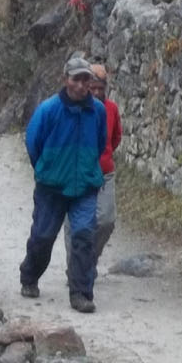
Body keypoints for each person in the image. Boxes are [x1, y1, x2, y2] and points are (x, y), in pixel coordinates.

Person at [19, 53, 107, 314]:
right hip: (51, 187)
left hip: (85, 187)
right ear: (65, 79)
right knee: (43, 236)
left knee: (83, 237)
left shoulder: (98, 111)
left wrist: (88, 167)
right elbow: (33, 143)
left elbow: (102, 142)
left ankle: (81, 293)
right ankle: (29, 276)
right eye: (75, 79)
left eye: (85, 80)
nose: (80, 86)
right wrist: (47, 169)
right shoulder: (48, 110)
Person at [64, 62, 122, 274]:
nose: (97, 92)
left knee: (106, 221)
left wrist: (103, 155)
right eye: (94, 87)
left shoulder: (112, 110)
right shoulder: (74, 106)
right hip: (77, 174)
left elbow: (115, 138)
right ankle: (75, 269)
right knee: (75, 224)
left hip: (104, 173)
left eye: (101, 88)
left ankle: (88, 260)